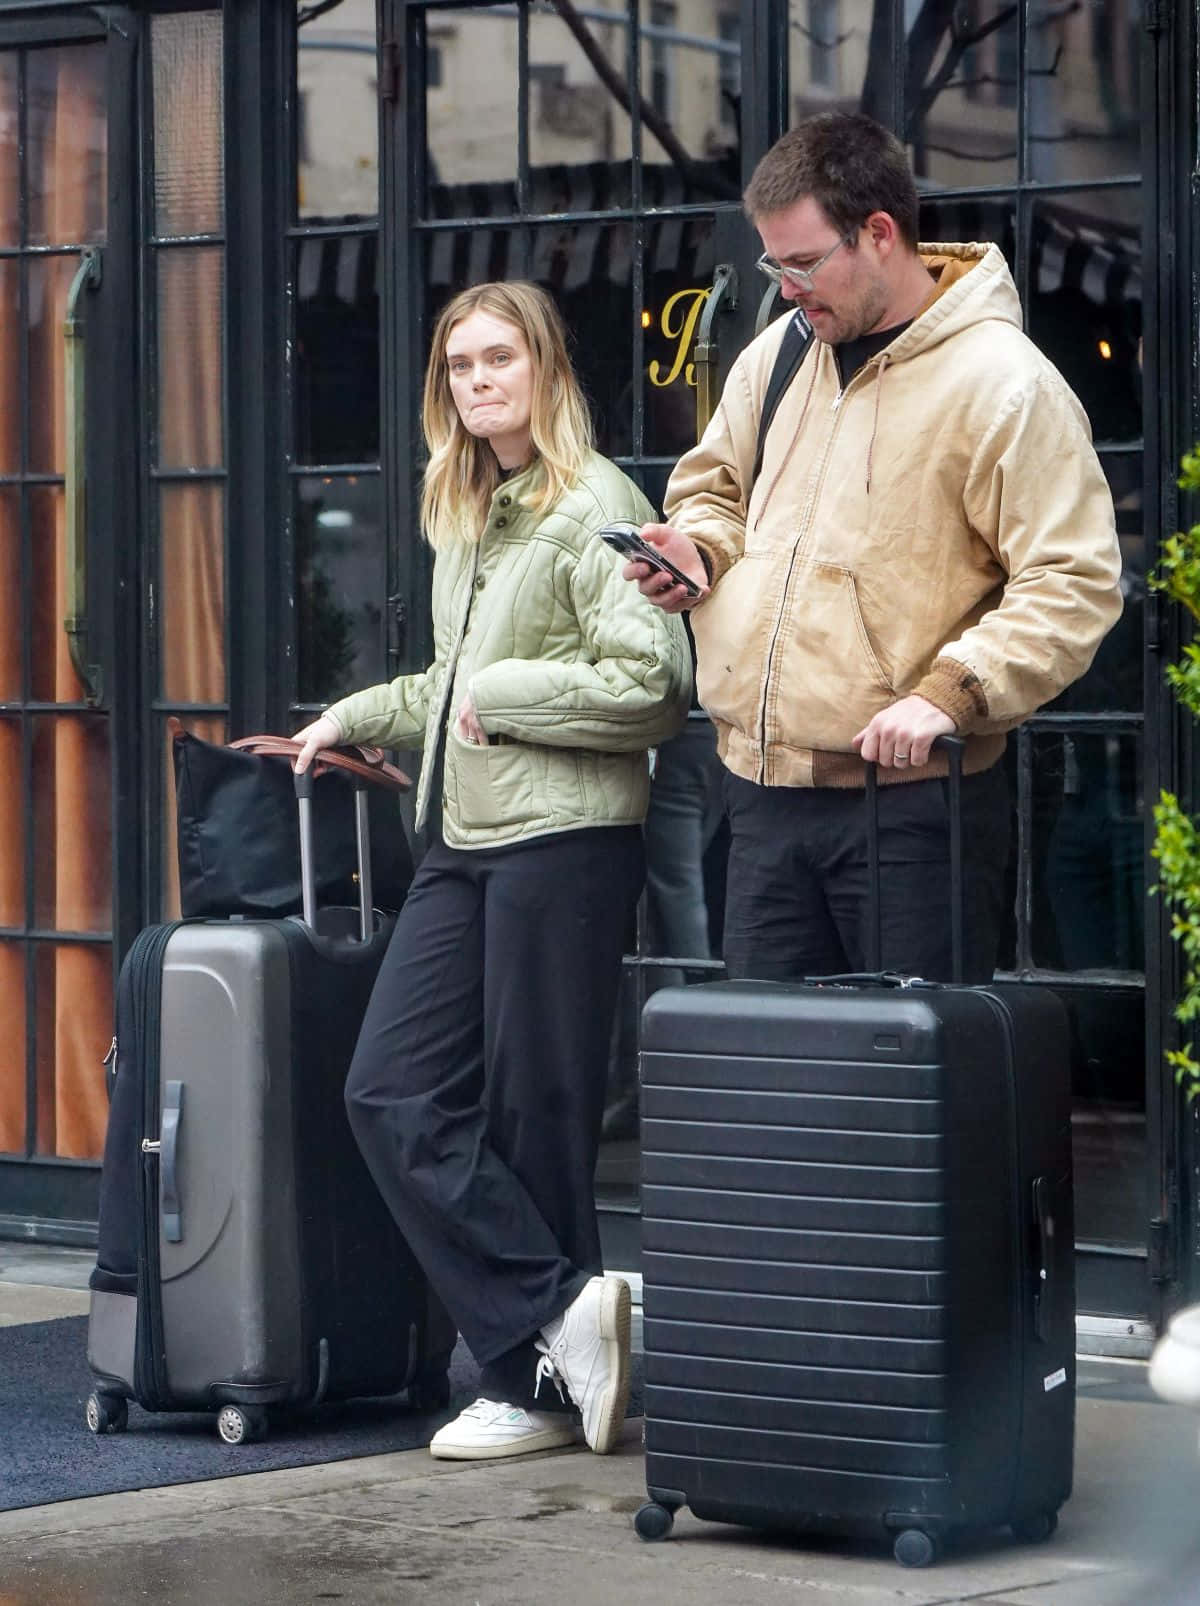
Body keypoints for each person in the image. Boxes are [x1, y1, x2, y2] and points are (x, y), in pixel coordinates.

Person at [293, 281, 691, 1461]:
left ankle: (533, 1387)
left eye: (499, 358)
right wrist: (357, 713)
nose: (478, 381)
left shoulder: (595, 502)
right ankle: (564, 1319)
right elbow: (448, 684)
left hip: (565, 842)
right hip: (465, 842)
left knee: (537, 1115)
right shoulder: (471, 507)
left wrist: (502, 694)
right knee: (389, 1088)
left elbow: (655, 686)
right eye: (460, 365)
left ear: (547, 368)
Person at [622, 111, 1123, 983]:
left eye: (803, 263)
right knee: (769, 1064)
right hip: (761, 800)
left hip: (917, 811)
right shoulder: (779, 355)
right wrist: (701, 551)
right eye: (774, 266)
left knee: (904, 1061)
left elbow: (1073, 580)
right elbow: (713, 487)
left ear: (880, 233)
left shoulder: (1006, 384)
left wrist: (951, 693)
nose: (786, 289)